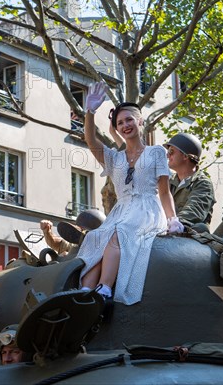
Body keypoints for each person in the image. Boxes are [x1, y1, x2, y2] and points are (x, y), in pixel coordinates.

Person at [77, 81, 184, 306]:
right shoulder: (114, 158)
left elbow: (164, 192)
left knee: (119, 233)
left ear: (140, 121)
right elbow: (90, 140)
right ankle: (82, 295)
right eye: (120, 122)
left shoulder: (156, 153)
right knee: (96, 238)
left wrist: (173, 218)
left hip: (147, 210)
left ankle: (104, 289)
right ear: (116, 128)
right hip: (122, 210)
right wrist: (89, 112)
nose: (125, 125)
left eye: (129, 120)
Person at [164, 133, 216, 233]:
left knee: (200, 227)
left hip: (190, 237)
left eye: (171, 151)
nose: (167, 155)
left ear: (185, 156)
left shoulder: (202, 183)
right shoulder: (167, 182)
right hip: (165, 232)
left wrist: (174, 225)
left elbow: (194, 212)